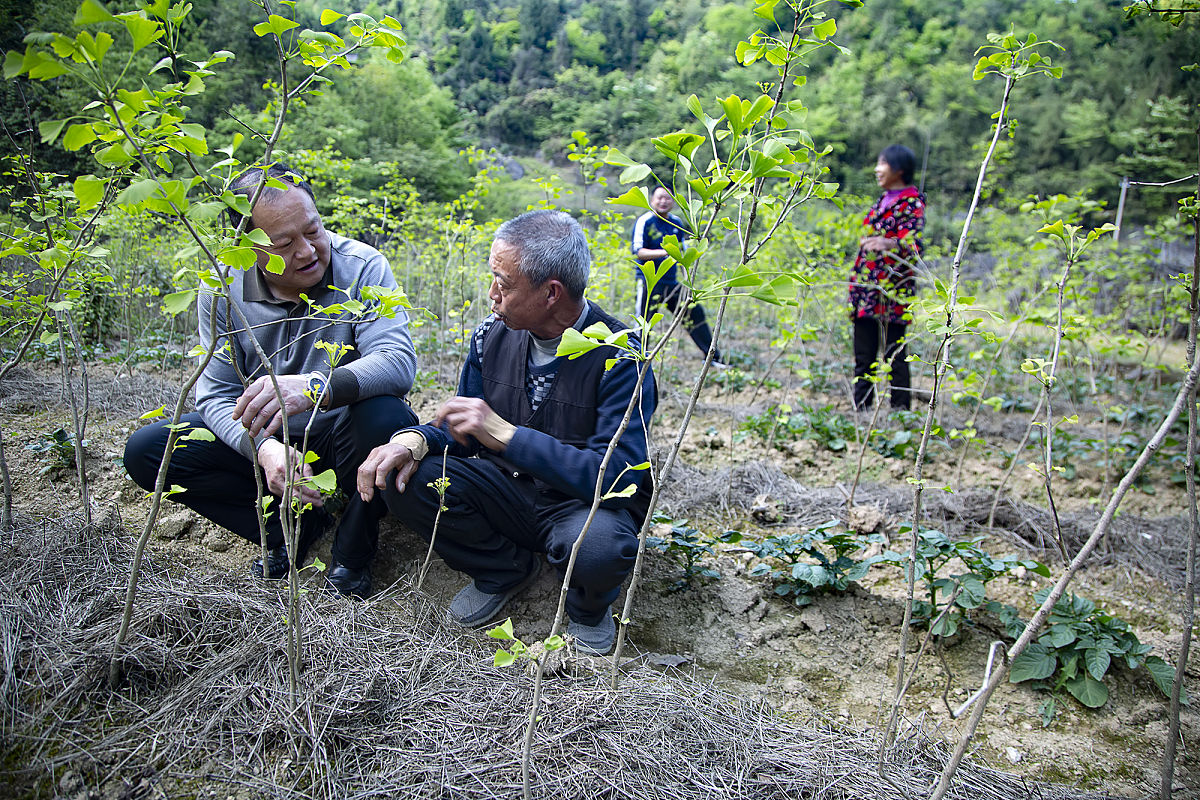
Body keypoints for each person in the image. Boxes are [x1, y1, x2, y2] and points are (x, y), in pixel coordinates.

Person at [357, 209, 656, 655]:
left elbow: (619, 477)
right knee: (408, 479)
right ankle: (503, 569)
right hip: (506, 492)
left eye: (505, 282)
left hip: (578, 508)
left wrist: (509, 435)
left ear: (551, 292)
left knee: (598, 547)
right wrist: (413, 439)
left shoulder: (621, 352)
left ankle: (587, 609)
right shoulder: (489, 337)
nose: (491, 294)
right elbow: (464, 433)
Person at [123, 163, 418, 597]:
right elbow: (217, 394)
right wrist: (261, 448)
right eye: (285, 243)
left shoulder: (362, 267)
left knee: (387, 415)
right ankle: (289, 531)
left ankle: (353, 548)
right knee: (151, 451)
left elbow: (397, 361)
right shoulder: (223, 287)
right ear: (250, 245)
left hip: (343, 437)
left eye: (313, 230)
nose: (308, 251)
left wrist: (316, 386)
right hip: (272, 440)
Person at [848, 144, 925, 411]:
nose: (877, 169)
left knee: (894, 354)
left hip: (894, 290)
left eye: (883, 164)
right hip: (867, 289)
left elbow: (915, 246)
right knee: (863, 353)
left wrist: (888, 243)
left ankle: (901, 412)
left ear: (899, 169)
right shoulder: (882, 200)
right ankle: (861, 409)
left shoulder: (911, 203)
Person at [631, 187, 723, 363]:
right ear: (652, 200)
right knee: (644, 323)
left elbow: (682, 254)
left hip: (671, 283)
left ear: (673, 202)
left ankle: (713, 357)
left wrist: (688, 280)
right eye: (660, 198)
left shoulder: (676, 223)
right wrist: (666, 252)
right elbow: (639, 252)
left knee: (694, 313)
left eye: (668, 198)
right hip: (649, 282)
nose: (663, 201)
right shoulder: (645, 221)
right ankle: (637, 361)